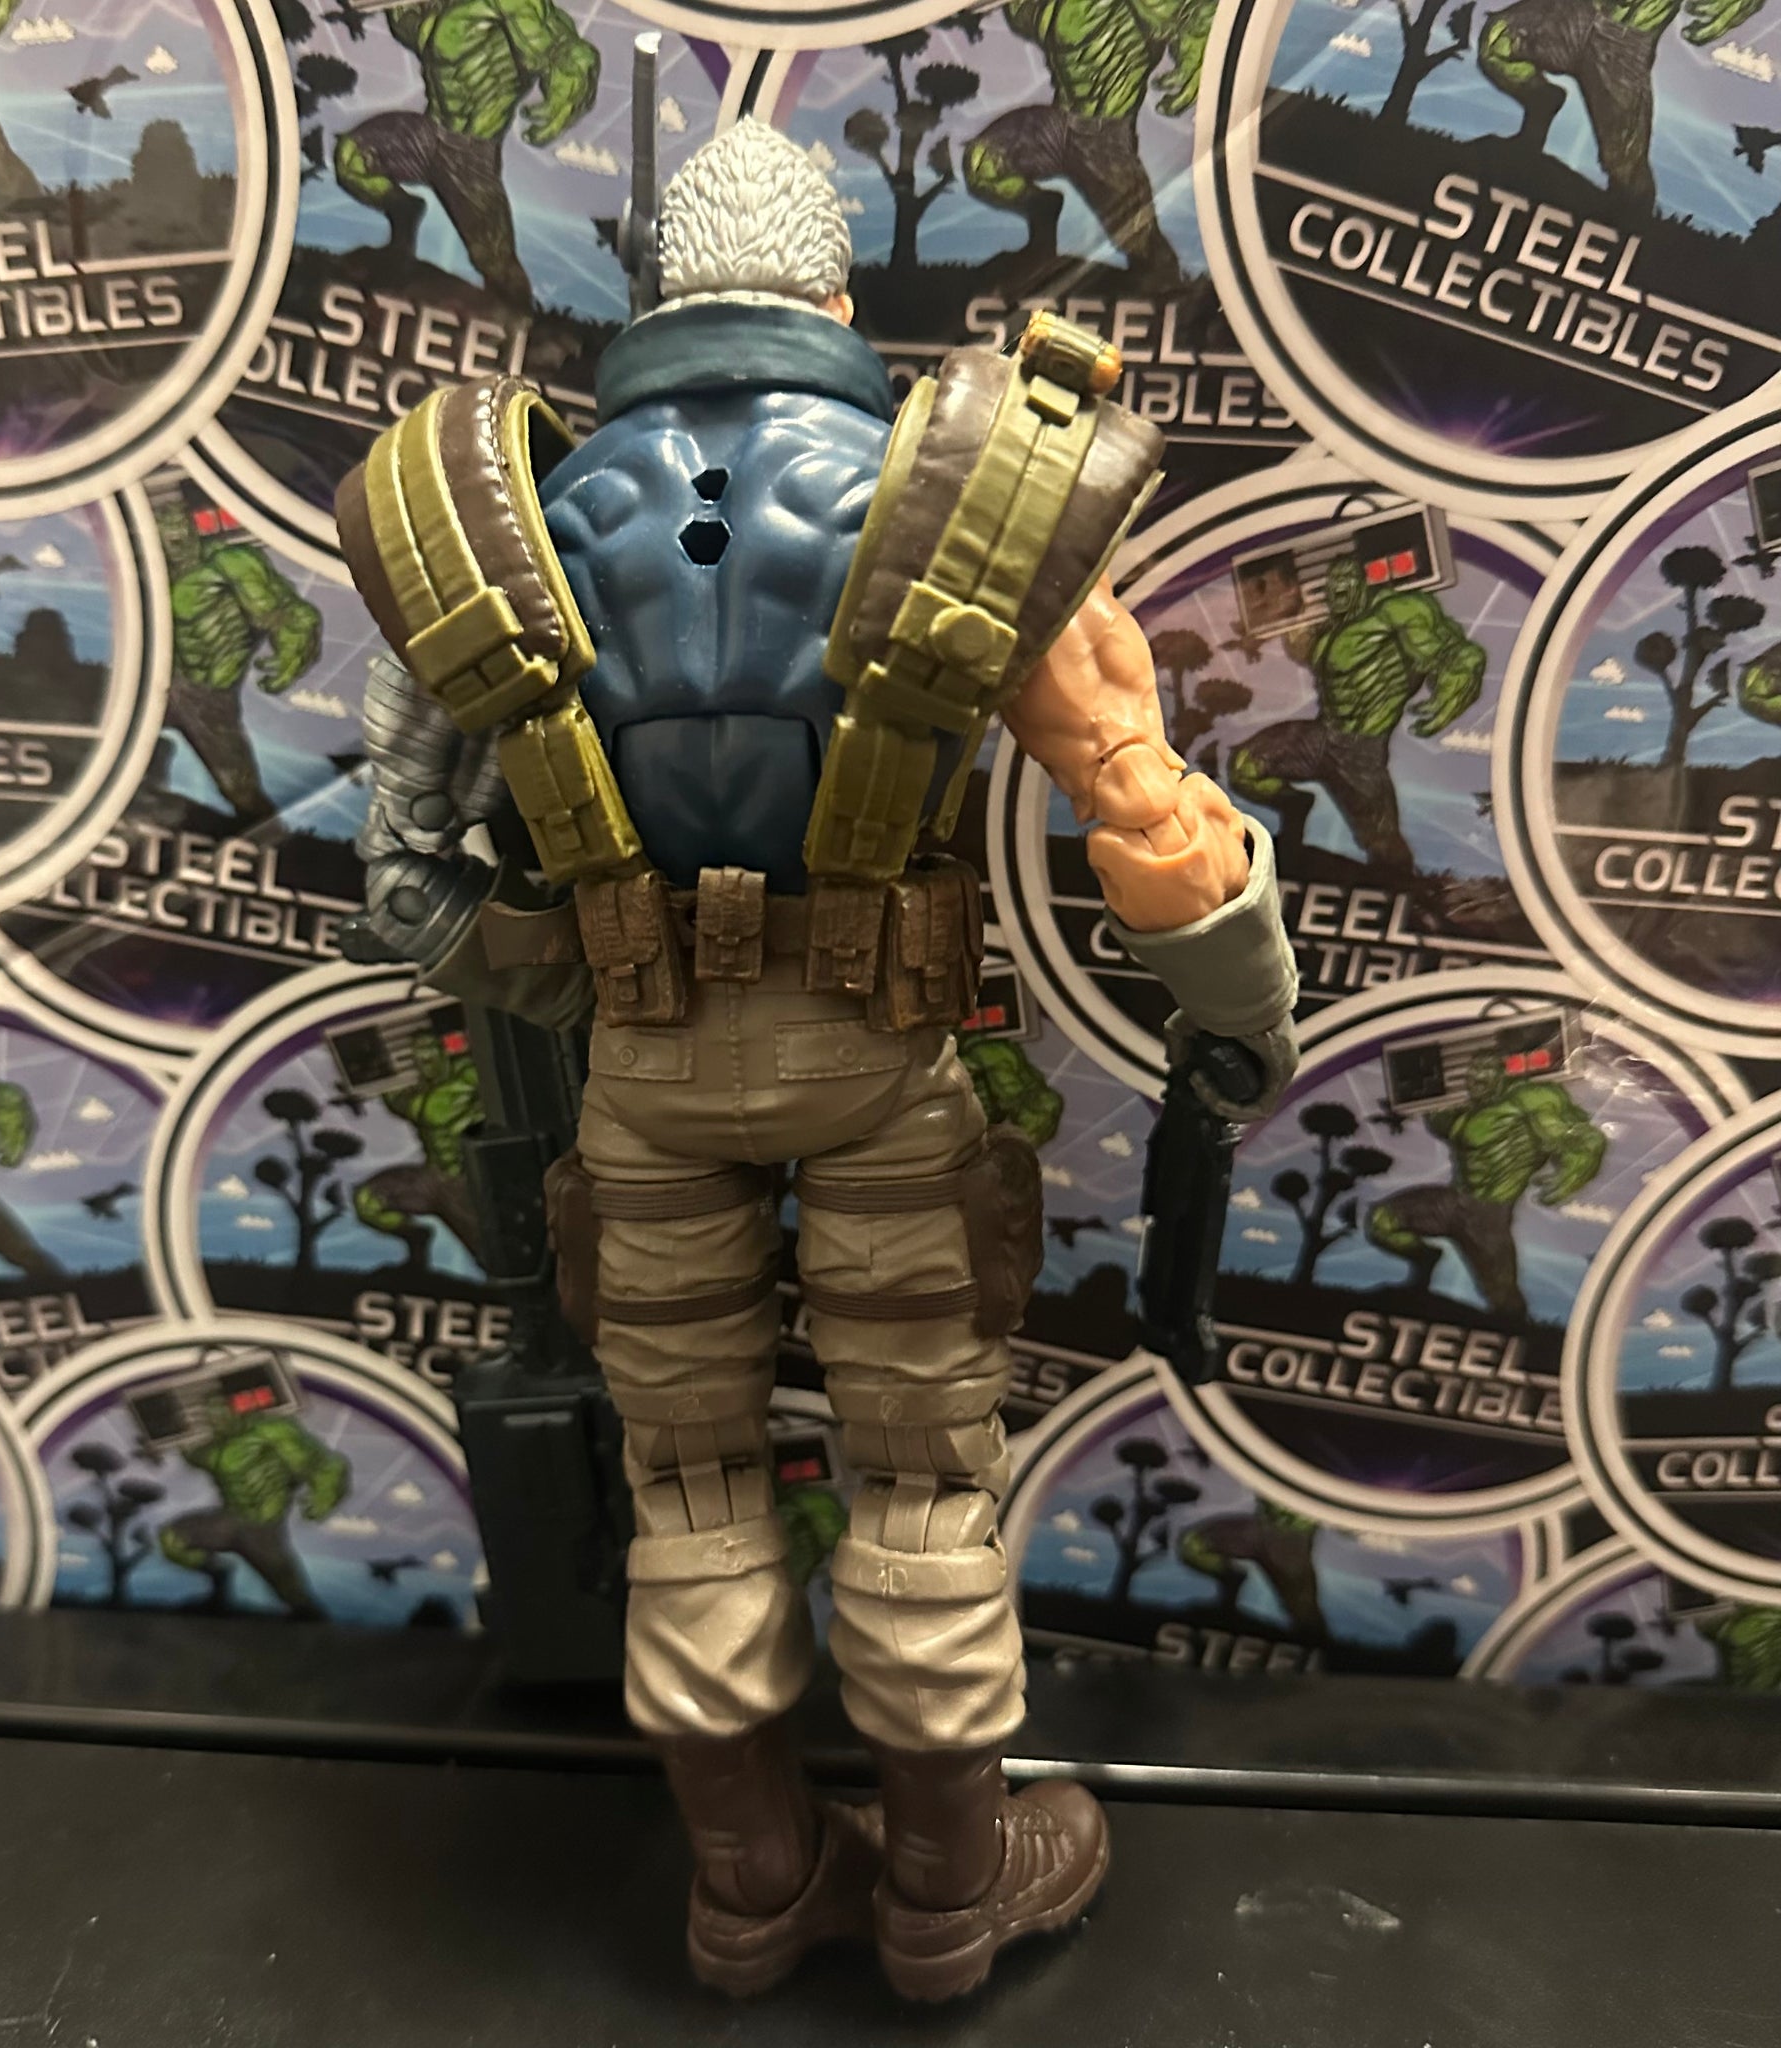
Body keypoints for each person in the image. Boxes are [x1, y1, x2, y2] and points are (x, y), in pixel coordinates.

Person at [338, 119, 1299, 2002]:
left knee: (692, 1482)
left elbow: (404, 873)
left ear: (653, 296)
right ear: (840, 294)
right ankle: (944, 1886)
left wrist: (577, 977)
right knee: (924, 1477)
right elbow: (1144, 809)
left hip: (642, 1075)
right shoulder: (977, 505)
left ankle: (752, 1881)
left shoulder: (494, 525)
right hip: (875, 1060)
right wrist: (1245, 1012)